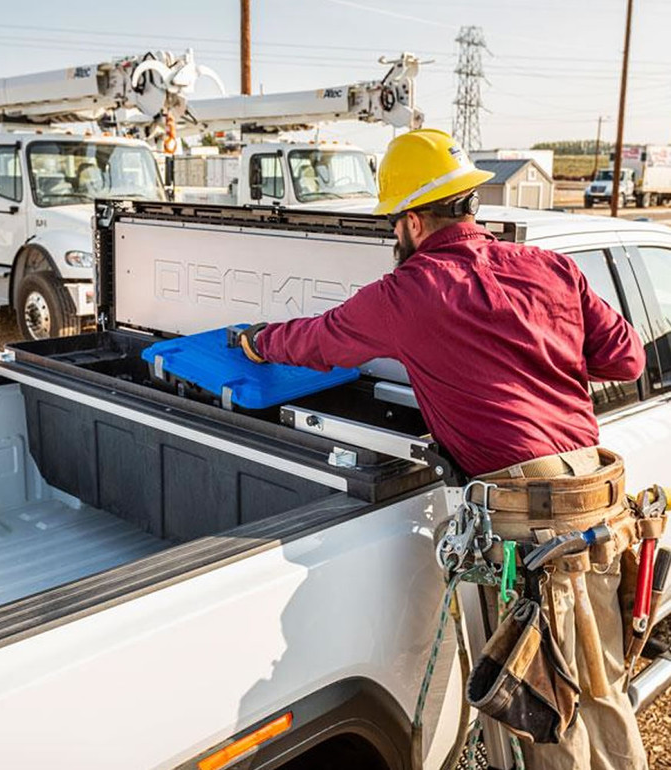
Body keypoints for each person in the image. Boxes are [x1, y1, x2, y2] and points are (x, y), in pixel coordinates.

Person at [238, 128, 647, 770]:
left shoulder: (412, 291)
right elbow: (624, 356)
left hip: (528, 521)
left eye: (391, 227)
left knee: (544, 705)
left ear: (410, 219)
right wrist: (541, 348)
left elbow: (319, 342)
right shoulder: (552, 267)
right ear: (468, 204)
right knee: (603, 685)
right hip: (596, 506)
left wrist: (258, 343)